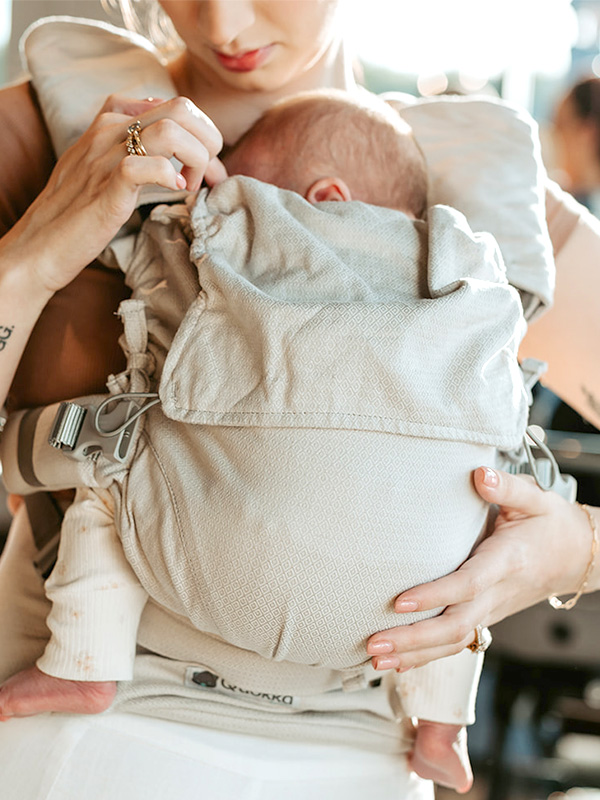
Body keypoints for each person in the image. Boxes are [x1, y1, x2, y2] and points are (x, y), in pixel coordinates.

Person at [0, 2, 597, 798]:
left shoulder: (496, 218)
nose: (223, 22)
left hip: (366, 758)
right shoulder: (37, 133)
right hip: (77, 736)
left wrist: (575, 551)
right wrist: (36, 255)